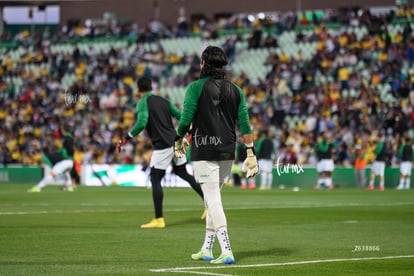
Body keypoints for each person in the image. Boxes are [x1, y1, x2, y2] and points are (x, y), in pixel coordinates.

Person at [174, 45, 258, 265]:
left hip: (204, 150)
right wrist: (251, 153)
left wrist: (178, 137)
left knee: (212, 201)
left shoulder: (195, 87)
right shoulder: (236, 90)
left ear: (204, 63)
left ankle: (227, 250)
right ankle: (206, 248)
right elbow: (245, 125)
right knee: (213, 200)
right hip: (227, 152)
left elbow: (186, 119)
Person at [117, 76, 204, 229]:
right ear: (151, 87)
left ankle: (159, 219)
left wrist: (126, 137)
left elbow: (142, 122)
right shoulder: (164, 101)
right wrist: (190, 130)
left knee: (155, 178)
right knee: (183, 174)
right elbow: (180, 115)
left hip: (163, 145)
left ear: (138, 90)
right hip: (176, 141)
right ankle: (209, 207)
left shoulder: (143, 102)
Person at [28, 124, 75, 192]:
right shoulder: (71, 138)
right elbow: (70, 150)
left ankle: (38, 187)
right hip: (70, 162)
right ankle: (70, 187)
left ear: (63, 130)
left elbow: (66, 151)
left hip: (65, 161)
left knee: (51, 174)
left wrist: (60, 152)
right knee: (67, 174)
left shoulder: (66, 139)